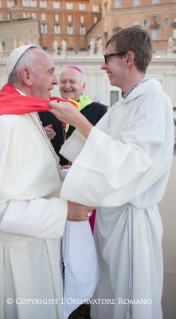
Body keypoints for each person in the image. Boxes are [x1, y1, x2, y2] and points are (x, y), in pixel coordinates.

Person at [49, 27, 174, 319]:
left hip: (132, 222)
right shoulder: (121, 106)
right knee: (107, 297)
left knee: (128, 300)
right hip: (109, 219)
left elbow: (135, 163)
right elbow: (87, 153)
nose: (103, 65)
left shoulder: (154, 101)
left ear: (128, 58)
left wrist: (79, 120)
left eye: (107, 57)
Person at [0, 45, 95, 319]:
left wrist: (65, 176)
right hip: (15, 258)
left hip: (31, 244)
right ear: (26, 75)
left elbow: (24, 175)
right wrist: (64, 211)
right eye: (50, 72)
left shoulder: (25, 111)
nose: (56, 81)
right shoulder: (6, 122)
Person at [39, 66, 107, 165]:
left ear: (83, 86)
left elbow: (103, 145)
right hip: (51, 173)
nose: (67, 86)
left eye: (72, 82)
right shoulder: (47, 108)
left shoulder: (99, 110)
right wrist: (40, 134)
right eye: (63, 82)